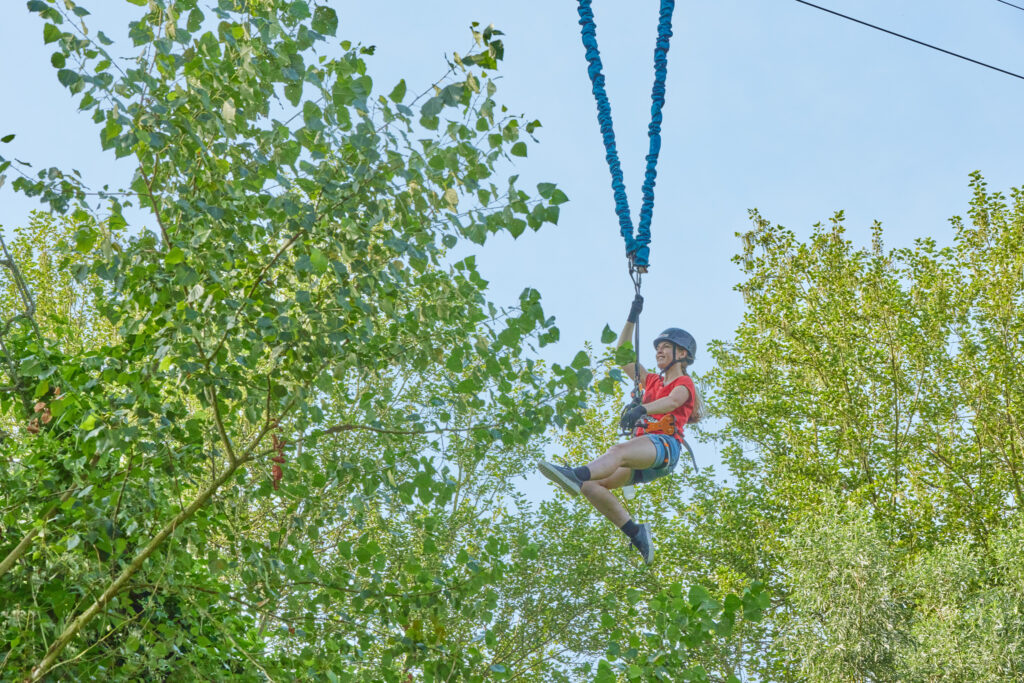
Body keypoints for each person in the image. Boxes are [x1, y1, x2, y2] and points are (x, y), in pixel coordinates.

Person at [537, 295, 702, 564]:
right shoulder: (650, 381)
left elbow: (673, 402)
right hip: (646, 454)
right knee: (592, 487)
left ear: (681, 354)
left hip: (664, 446)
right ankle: (636, 532)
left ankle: (574, 474)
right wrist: (632, 316)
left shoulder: (684, 382)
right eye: (657, 347)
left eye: (665, 347)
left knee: (617, 451)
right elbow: (622, 355)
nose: (658, 351)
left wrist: (642, 409)